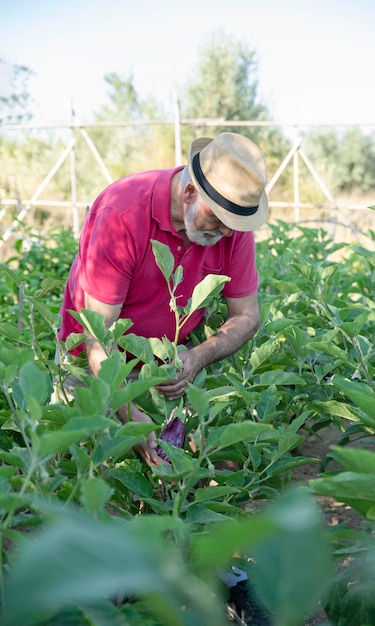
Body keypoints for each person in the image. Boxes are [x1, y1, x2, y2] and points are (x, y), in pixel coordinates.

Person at [57, 131, 269, 466]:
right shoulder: (123, 213)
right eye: (218, 219)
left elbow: (247, 314)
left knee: (163, 473)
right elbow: (98, 336)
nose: (227, 233)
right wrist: (130, 415)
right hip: (92, 361)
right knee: (79, 469)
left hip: (164, 367)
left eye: (234, 224)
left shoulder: (232, 230)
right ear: (189, 193)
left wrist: (199, 355)